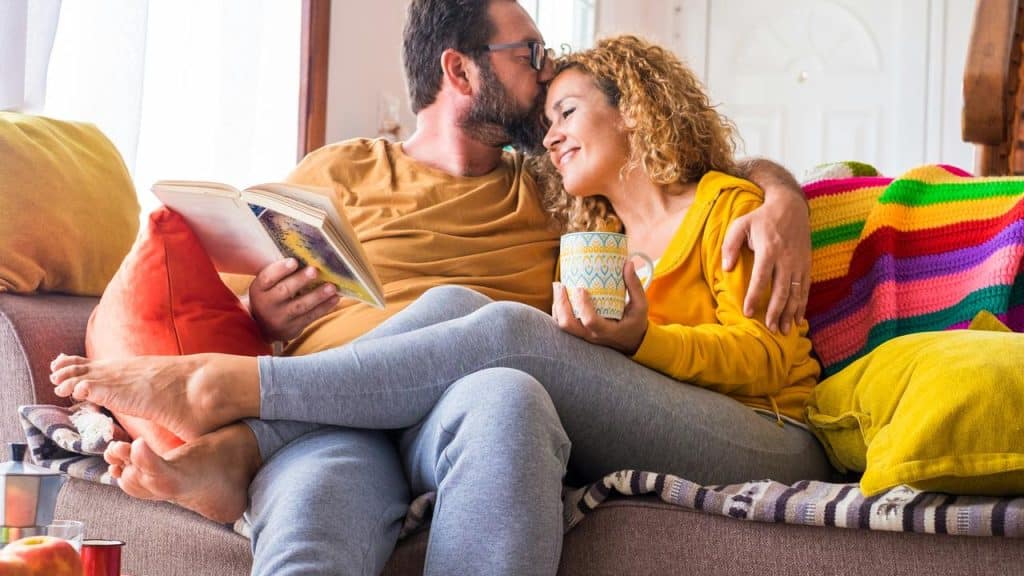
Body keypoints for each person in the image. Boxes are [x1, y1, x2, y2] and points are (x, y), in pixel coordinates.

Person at [52, 4, 817, 576]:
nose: (547, 74)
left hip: (466, 400)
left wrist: (785, 197)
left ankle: (243, 414)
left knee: (507, 386)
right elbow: (223, 287)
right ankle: (250, 416)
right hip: (338, 422)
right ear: (460, 71)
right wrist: (259, 311)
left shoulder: (559, 192)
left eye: (563, 95)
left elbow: (683, 172)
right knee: (318, 510)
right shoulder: (336, 169)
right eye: (529, 55)